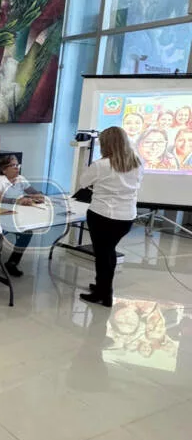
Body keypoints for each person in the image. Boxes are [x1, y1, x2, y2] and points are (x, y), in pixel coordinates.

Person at [78, 126, 143, 308]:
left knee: (103, 255)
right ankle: (103, 286)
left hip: (102, 216)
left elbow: (83, 182)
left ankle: (103, 294)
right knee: (108, 252)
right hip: (126, 217)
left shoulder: (101, 165)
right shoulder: (137, 162)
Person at [0, 154, 45, 276]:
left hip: (18, 215)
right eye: (13, 165)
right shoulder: (0, 180)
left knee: (27, 232)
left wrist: (38, 196)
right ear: (4, 169)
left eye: (17, 165)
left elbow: (33, 192)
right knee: (24, 232)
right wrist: (16, 201)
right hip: (2, 216)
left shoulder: (21, 179)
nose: (16, 168)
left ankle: (12, 262)